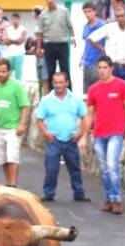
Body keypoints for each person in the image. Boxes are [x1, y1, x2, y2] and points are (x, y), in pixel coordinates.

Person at [79, 56, 125, 214]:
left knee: (111, 165)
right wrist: (84, 136)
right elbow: (89, 114)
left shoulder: (122, 86)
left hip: (116, 132)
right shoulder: (93, 89)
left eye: (105, 67)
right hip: (99, 133)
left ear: (111, 68)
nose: (102, 71)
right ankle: (109, 197)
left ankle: (116, 199)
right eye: (99, 68)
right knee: (103, 168)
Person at [35, 72, 88, 202]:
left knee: (75, 168)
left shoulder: (75, 100)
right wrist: (46, 133)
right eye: (56, 83)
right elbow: (39, 120)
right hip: (53, 140)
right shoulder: (46, 100)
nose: (58, 85)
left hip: (71, 140)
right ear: (52, 83)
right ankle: (49, 194)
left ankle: (79, 194)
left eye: (61, 82)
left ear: (67, 83)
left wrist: (80, 133)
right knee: (51, 169)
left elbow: (85, 117)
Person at [0, 59, 29, 187]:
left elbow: (25, 106)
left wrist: (22, 124)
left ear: (9, 71)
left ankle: (13, 184)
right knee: (2, 158)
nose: (1, 74)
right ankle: (8, 182)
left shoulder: (17, 86)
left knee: (12, 156)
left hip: (13, 128)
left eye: (4, 71)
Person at [36, 0, 75, 86]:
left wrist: (73, 37)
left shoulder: (64, 11)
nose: (50, 1)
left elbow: (70, 26)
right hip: (49, 45)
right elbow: (39, 33)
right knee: (50, 71)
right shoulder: (42, 14)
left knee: (65, 69)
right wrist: (38, 48)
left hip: (62, 44)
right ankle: (52, 93)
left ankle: (68, 92)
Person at [80, 3, 105, 94]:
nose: (87, 14)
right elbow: (86, 44)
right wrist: (82, 58)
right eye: (85, 12)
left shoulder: (102, 25)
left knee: (97, 90)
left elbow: (106, 44)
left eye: (89, 11)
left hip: (97, 61)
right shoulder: (85, 26)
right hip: (87, 62)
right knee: (86, 92)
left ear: (95, 11)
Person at [31, 5, 50, 94]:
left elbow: (45, 38)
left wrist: (43, 49)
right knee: (40, 76)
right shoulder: (37, 25)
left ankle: (46, 94)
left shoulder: (45, 25)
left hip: (43, 52)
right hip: (37, 53)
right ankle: (41, 95)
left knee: (45, 76)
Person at [3, 13, 27, 80]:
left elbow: (20, 41)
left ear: (19, 19)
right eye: (13, 19)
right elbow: (5, 41)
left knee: (18, 74)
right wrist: (15, 41)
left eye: (16, 19)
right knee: (8, 73)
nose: (14, 20)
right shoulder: (8, 29)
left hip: (19, 54)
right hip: (9, 54)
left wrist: (10, 40)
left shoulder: (23, 29)